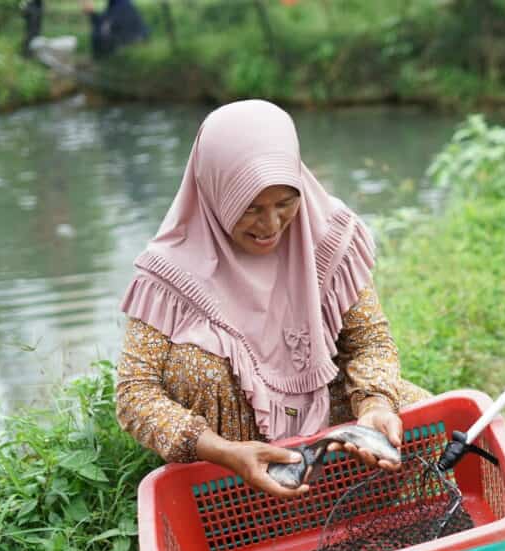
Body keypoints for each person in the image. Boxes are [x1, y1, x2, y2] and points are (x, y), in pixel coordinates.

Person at [116, 100, 430, 499]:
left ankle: (366, 496)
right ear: (214, 193)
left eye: (285, 204)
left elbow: (369, 341)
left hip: (340, 442)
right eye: (250, 209)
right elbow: (135, 394)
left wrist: (374, 406)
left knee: (447, 433)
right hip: (231, 471)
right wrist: (222, 450)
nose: (270, 226)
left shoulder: (329, 236)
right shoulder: (168, 275)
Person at [82, 0, 149, 59]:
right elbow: (102, 22)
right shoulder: (113, 4)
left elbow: (107, 24)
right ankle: (99, 60)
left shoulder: (122, 4)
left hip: (135, 38)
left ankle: (101, 61)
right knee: (99, 34)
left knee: (100, 36)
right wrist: (91, 12)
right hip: (127, 35)